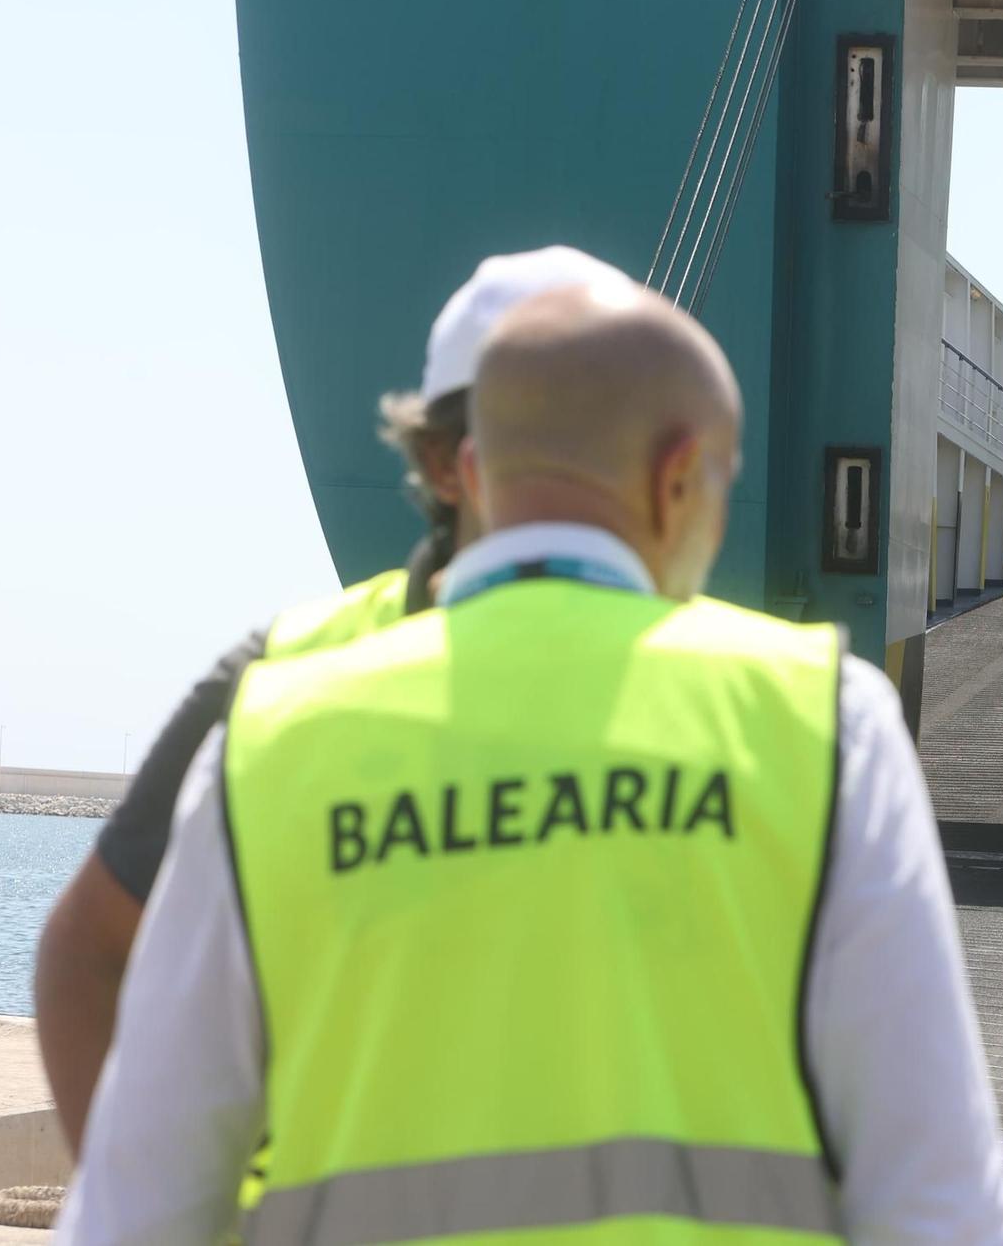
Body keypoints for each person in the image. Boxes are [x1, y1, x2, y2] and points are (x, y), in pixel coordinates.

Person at [58, 279, 1003, 1243]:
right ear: (678, 477)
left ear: (472, 472)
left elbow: (134, 1207)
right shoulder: (820, 722)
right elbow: (941, 1206)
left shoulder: (272, 740)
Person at [33, 245, 633, 1151]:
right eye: (542, 438)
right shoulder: (278, 681)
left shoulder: (743, 696)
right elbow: (87, 953)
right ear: (445, 465)